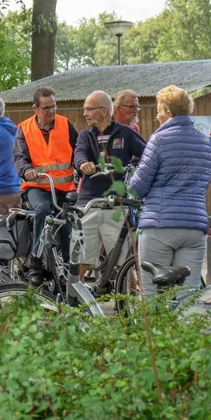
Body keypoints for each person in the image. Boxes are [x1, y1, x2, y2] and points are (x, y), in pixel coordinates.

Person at [130, 86, 211, 295]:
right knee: (187, 293)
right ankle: (186, 327)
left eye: (159, 111)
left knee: (151, 292)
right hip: (193, 227)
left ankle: (153, 329)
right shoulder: (206, 141)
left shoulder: (158, 141)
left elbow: (137, 189)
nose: (157, 116)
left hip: (159, 226)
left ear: (168, 112)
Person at [73, 91, 145, 280]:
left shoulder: (126, 133)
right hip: (88, 203)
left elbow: (147, 155)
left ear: (104, 111)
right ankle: (73, 303)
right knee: (81, 257)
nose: (85, 114)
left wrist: (135, 168)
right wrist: (82, 164)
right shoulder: (85, 135)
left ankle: (128, 304)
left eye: (89, 109)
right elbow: (79, 153)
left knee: (123, 259)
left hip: (115, 204)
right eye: (84, 110)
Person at [12, 86, 78, 282]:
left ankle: (68, 270)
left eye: (53, 107)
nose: (51, 111)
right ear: (35, 108)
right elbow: (18, 157)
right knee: (42, 210)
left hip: (63, 189)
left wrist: (83, 164)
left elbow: (78, 151)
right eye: (46, 108)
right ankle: (37, 260)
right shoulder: (24, 129)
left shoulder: (66, 125)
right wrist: (26, 170)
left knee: (66, 226)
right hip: (37, 187)